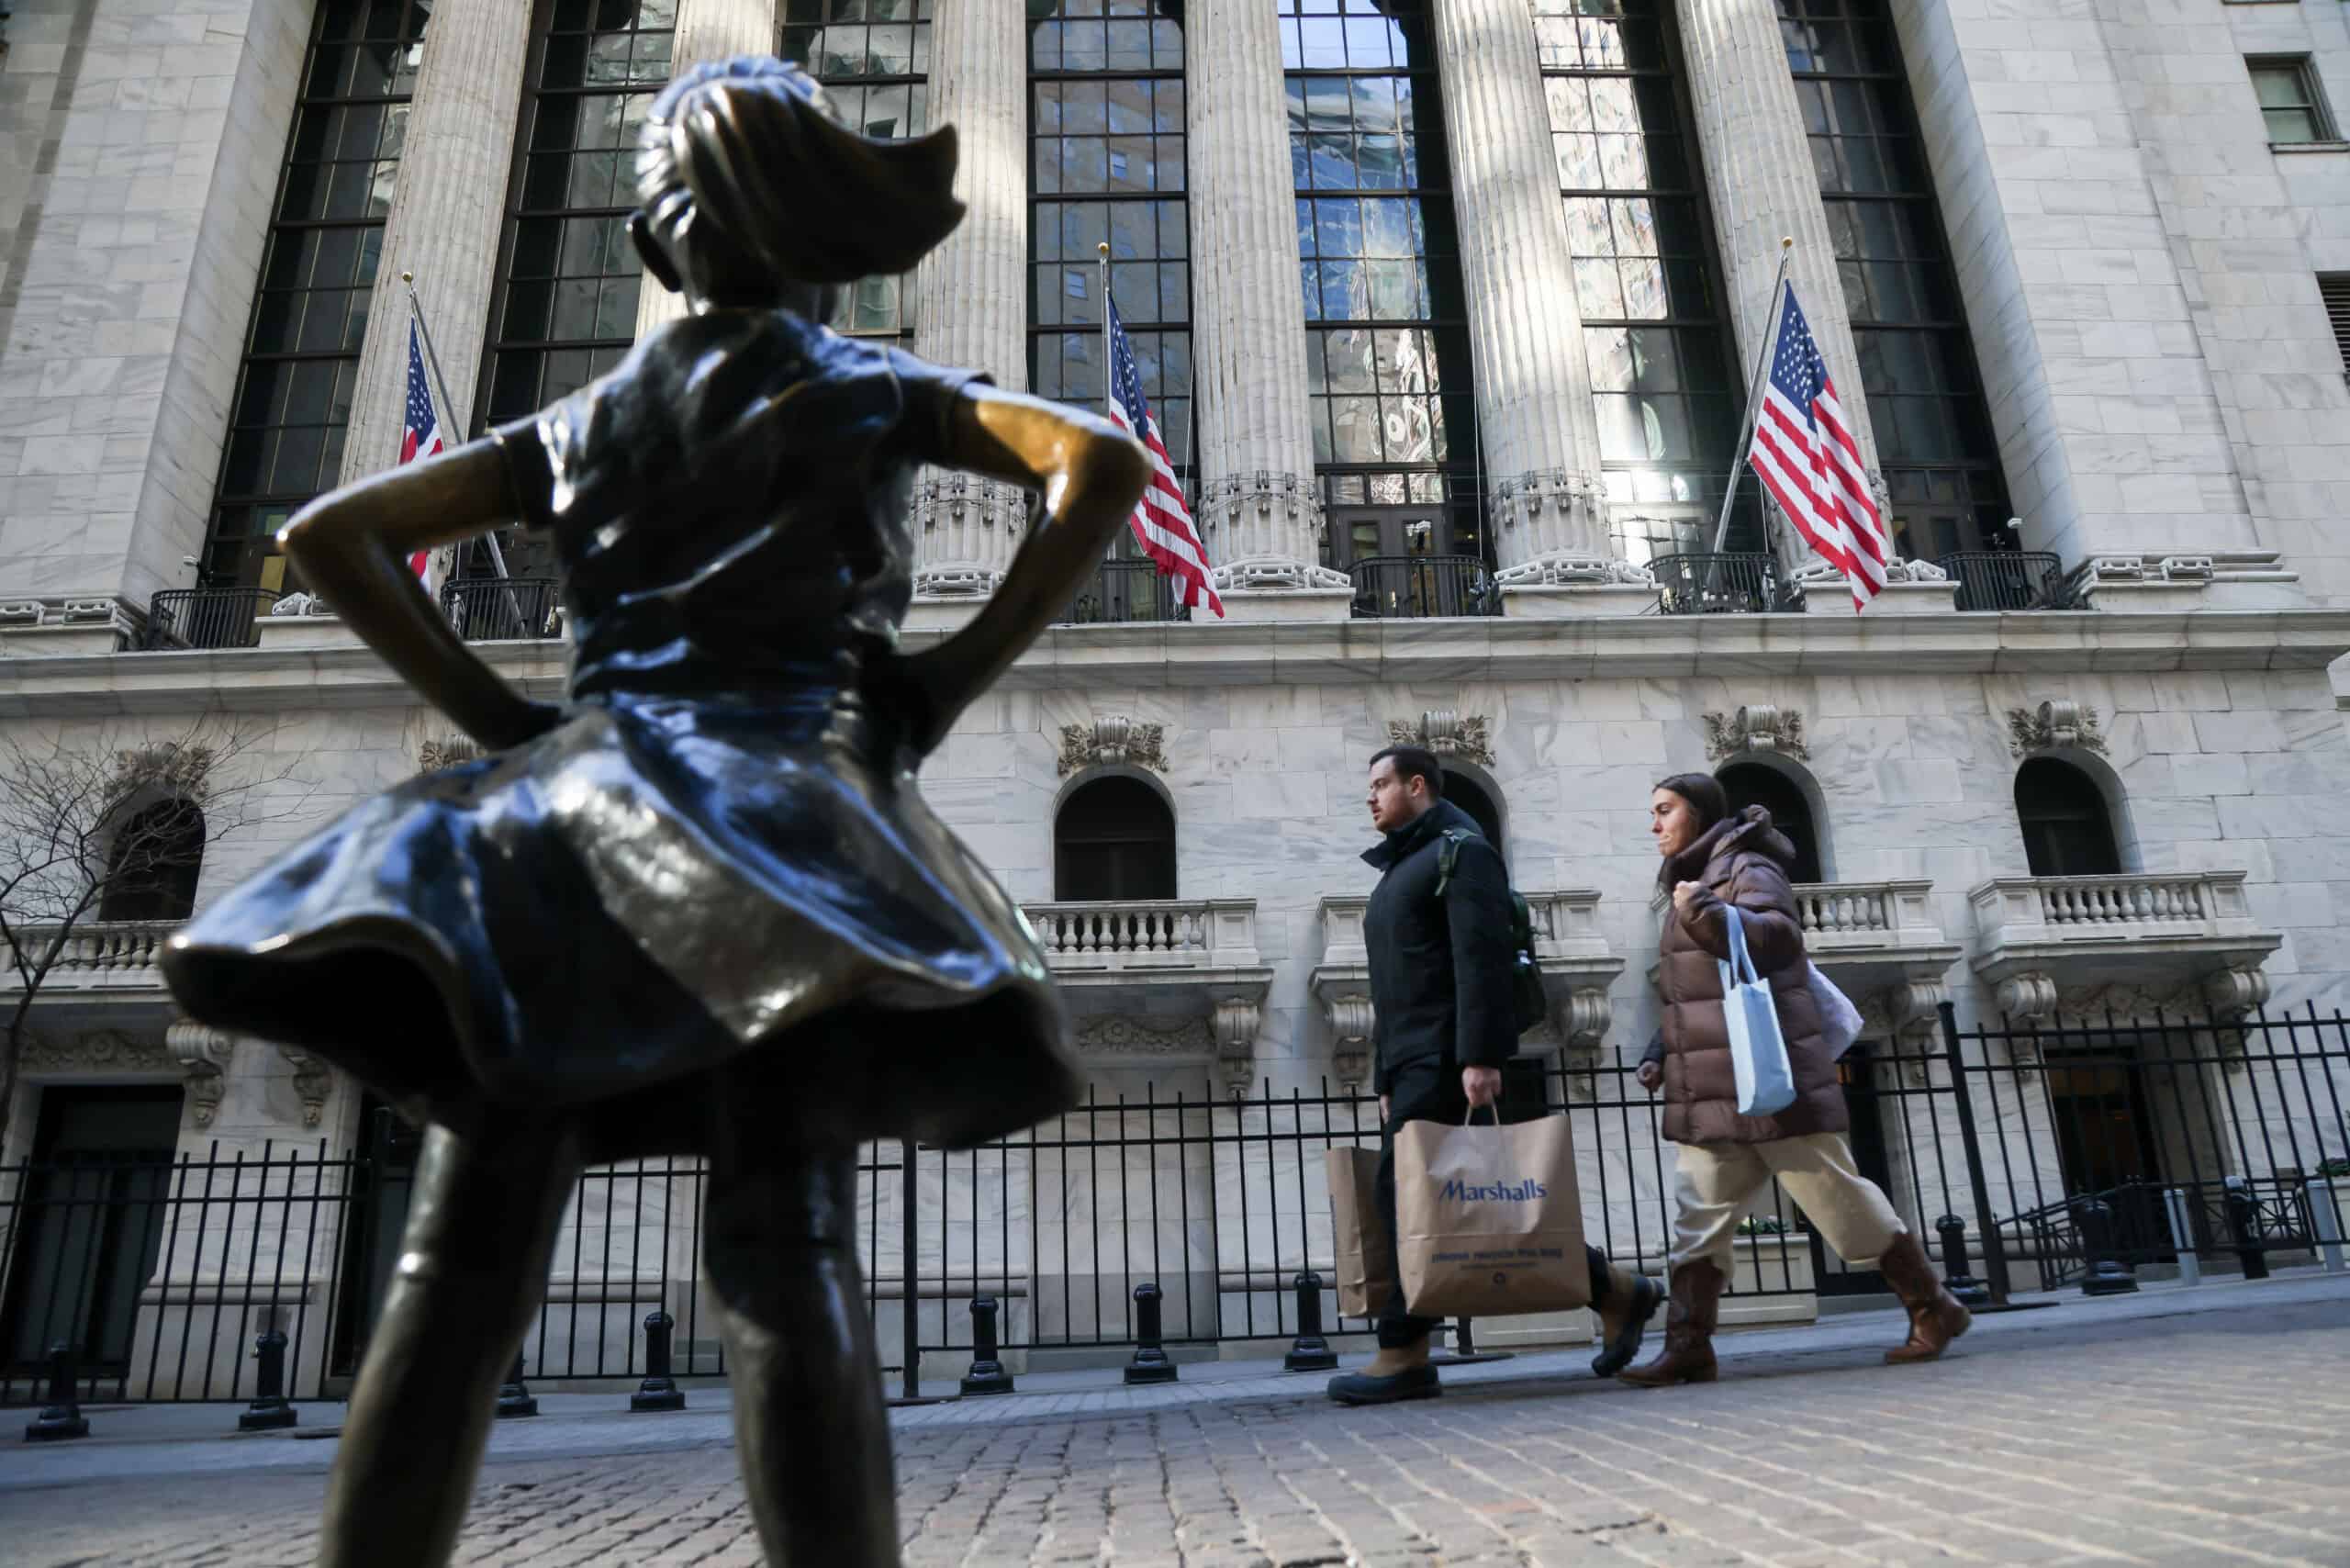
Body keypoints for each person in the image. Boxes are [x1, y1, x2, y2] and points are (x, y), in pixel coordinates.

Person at [158, 59, 1149, 1568]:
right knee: (786, 1241)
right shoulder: (870, 388)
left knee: (452, 1264)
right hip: (789, 827)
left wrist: (509, 725)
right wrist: (946, 677)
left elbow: (332, 536)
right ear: (808, 241)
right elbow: (1099, 461)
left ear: (656, 240)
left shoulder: (585, 419)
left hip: (568, 826)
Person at [1326, 745, 1661, 1405]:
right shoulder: (1400, 869)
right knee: (1429, 1199)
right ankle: (1619, 1290)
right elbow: (1395, 985)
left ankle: (1405, 1351)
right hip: (1413, 1059)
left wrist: (1481, 1057)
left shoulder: (1461, 851)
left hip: (1449, 1056)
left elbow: (1479, 960)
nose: (1370, 796)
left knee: (1410, 1196)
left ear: (1416, 785)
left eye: (1380, 784)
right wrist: (1385, 1074)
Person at [1621, 773, 1973, 1388]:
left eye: (1664, 810)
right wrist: (1661, 1050)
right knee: (1696, 1218)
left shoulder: (1746, 867)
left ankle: (1932, 1307)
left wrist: (1706, 912)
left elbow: (1779, 940)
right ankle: (1688, 1345)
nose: (1654, 824)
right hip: (1712, 1086)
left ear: (1699, 813)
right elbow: (1691, 990)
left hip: (1768, 1082)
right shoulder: (1691, 879)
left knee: (1841, 1204)